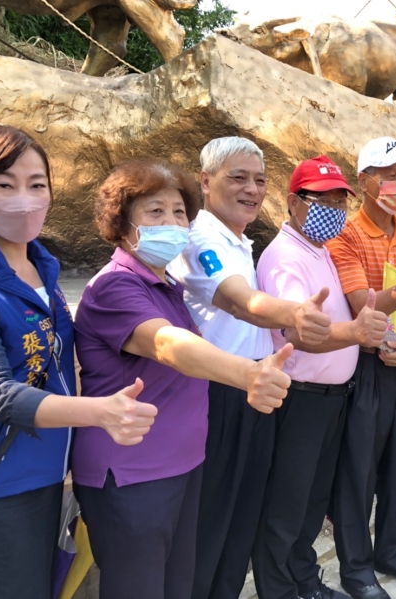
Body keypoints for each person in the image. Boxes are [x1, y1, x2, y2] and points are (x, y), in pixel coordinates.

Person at [71, 158, 293, 599]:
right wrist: (247, 372)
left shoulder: (166, 284)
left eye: (178, 212)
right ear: (122, 223)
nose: (172, 222)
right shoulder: (114, 286)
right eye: (155, 212)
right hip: (133, 474)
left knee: (177, 586)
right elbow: (167, 344)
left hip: (182, 466)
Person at [0, 124, 157, 599]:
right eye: (4, 185)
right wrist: (101, 412)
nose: (24, 200)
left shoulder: (41, 265)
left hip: (45, 476)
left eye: (36, 185)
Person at [167, 137, 332, 599]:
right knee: (212, 520)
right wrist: (294, 314)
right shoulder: (200, 237)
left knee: (241, 519)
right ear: (205, 181)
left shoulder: (239, 240)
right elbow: (239, 302)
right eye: (238, 178)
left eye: (260, 180)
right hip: (219, 393)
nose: (252, 189)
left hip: (255, 390)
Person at [253, 156, 389, 599]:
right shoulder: (284, 258)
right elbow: (299, 333)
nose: (333, 210)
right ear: (294, 202)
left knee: (312, 500)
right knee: (287, 501)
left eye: (339, 202)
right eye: (322, 201)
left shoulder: (321, 250)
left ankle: (305, 580)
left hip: (331, 397)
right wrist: (355, 333)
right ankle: (279, 589)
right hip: (301, 398)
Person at [327, 136, 396, 599]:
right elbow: (362, 305)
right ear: (365, 181)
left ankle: (392, 552)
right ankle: (356, 568)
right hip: (365, 366)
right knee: (358, 471)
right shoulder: (345, 235)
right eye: (390, 175)